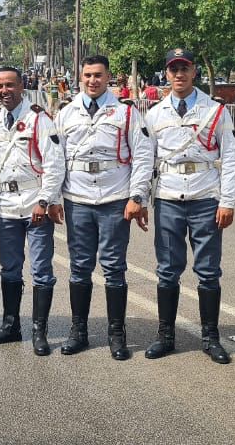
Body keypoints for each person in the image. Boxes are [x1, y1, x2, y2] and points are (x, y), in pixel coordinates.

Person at [56, 54, 155, 361]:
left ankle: (116, 334)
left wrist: (137, 197)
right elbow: (55, 157)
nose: (92, 80)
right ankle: (79, 332)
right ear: (80, 77)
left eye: (98, 75)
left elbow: (142, 155)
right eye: (87, 75)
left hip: (114, 198)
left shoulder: (125, 113)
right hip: (78, 199)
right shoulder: (66, 113)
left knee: (113, 268)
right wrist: (51, 199)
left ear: (108, 77)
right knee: (80, 267)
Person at [143, 49, 235, 362]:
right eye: (173, 69)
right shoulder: (155, 114)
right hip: (169, 197)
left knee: (208, 271)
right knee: (167, 271)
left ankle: (211, 338)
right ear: (166, 74)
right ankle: (165, 335)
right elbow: (146, 160)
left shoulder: (214, 111)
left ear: (194, 71)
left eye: (184, 69)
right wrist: (141, 199)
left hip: (205, 197)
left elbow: (232, 155)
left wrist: (228, 200)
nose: (179, 75)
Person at [0, 66, 66, 355]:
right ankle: (11, 325)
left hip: (35, 205)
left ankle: (38, 331)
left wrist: (44, 201)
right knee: (10, 269)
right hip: (6, 206)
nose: (4, 91)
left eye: (10, 85)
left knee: (41, 270)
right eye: (0, 86)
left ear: (22, 87)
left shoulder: (38, 119)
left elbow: (54, 164)